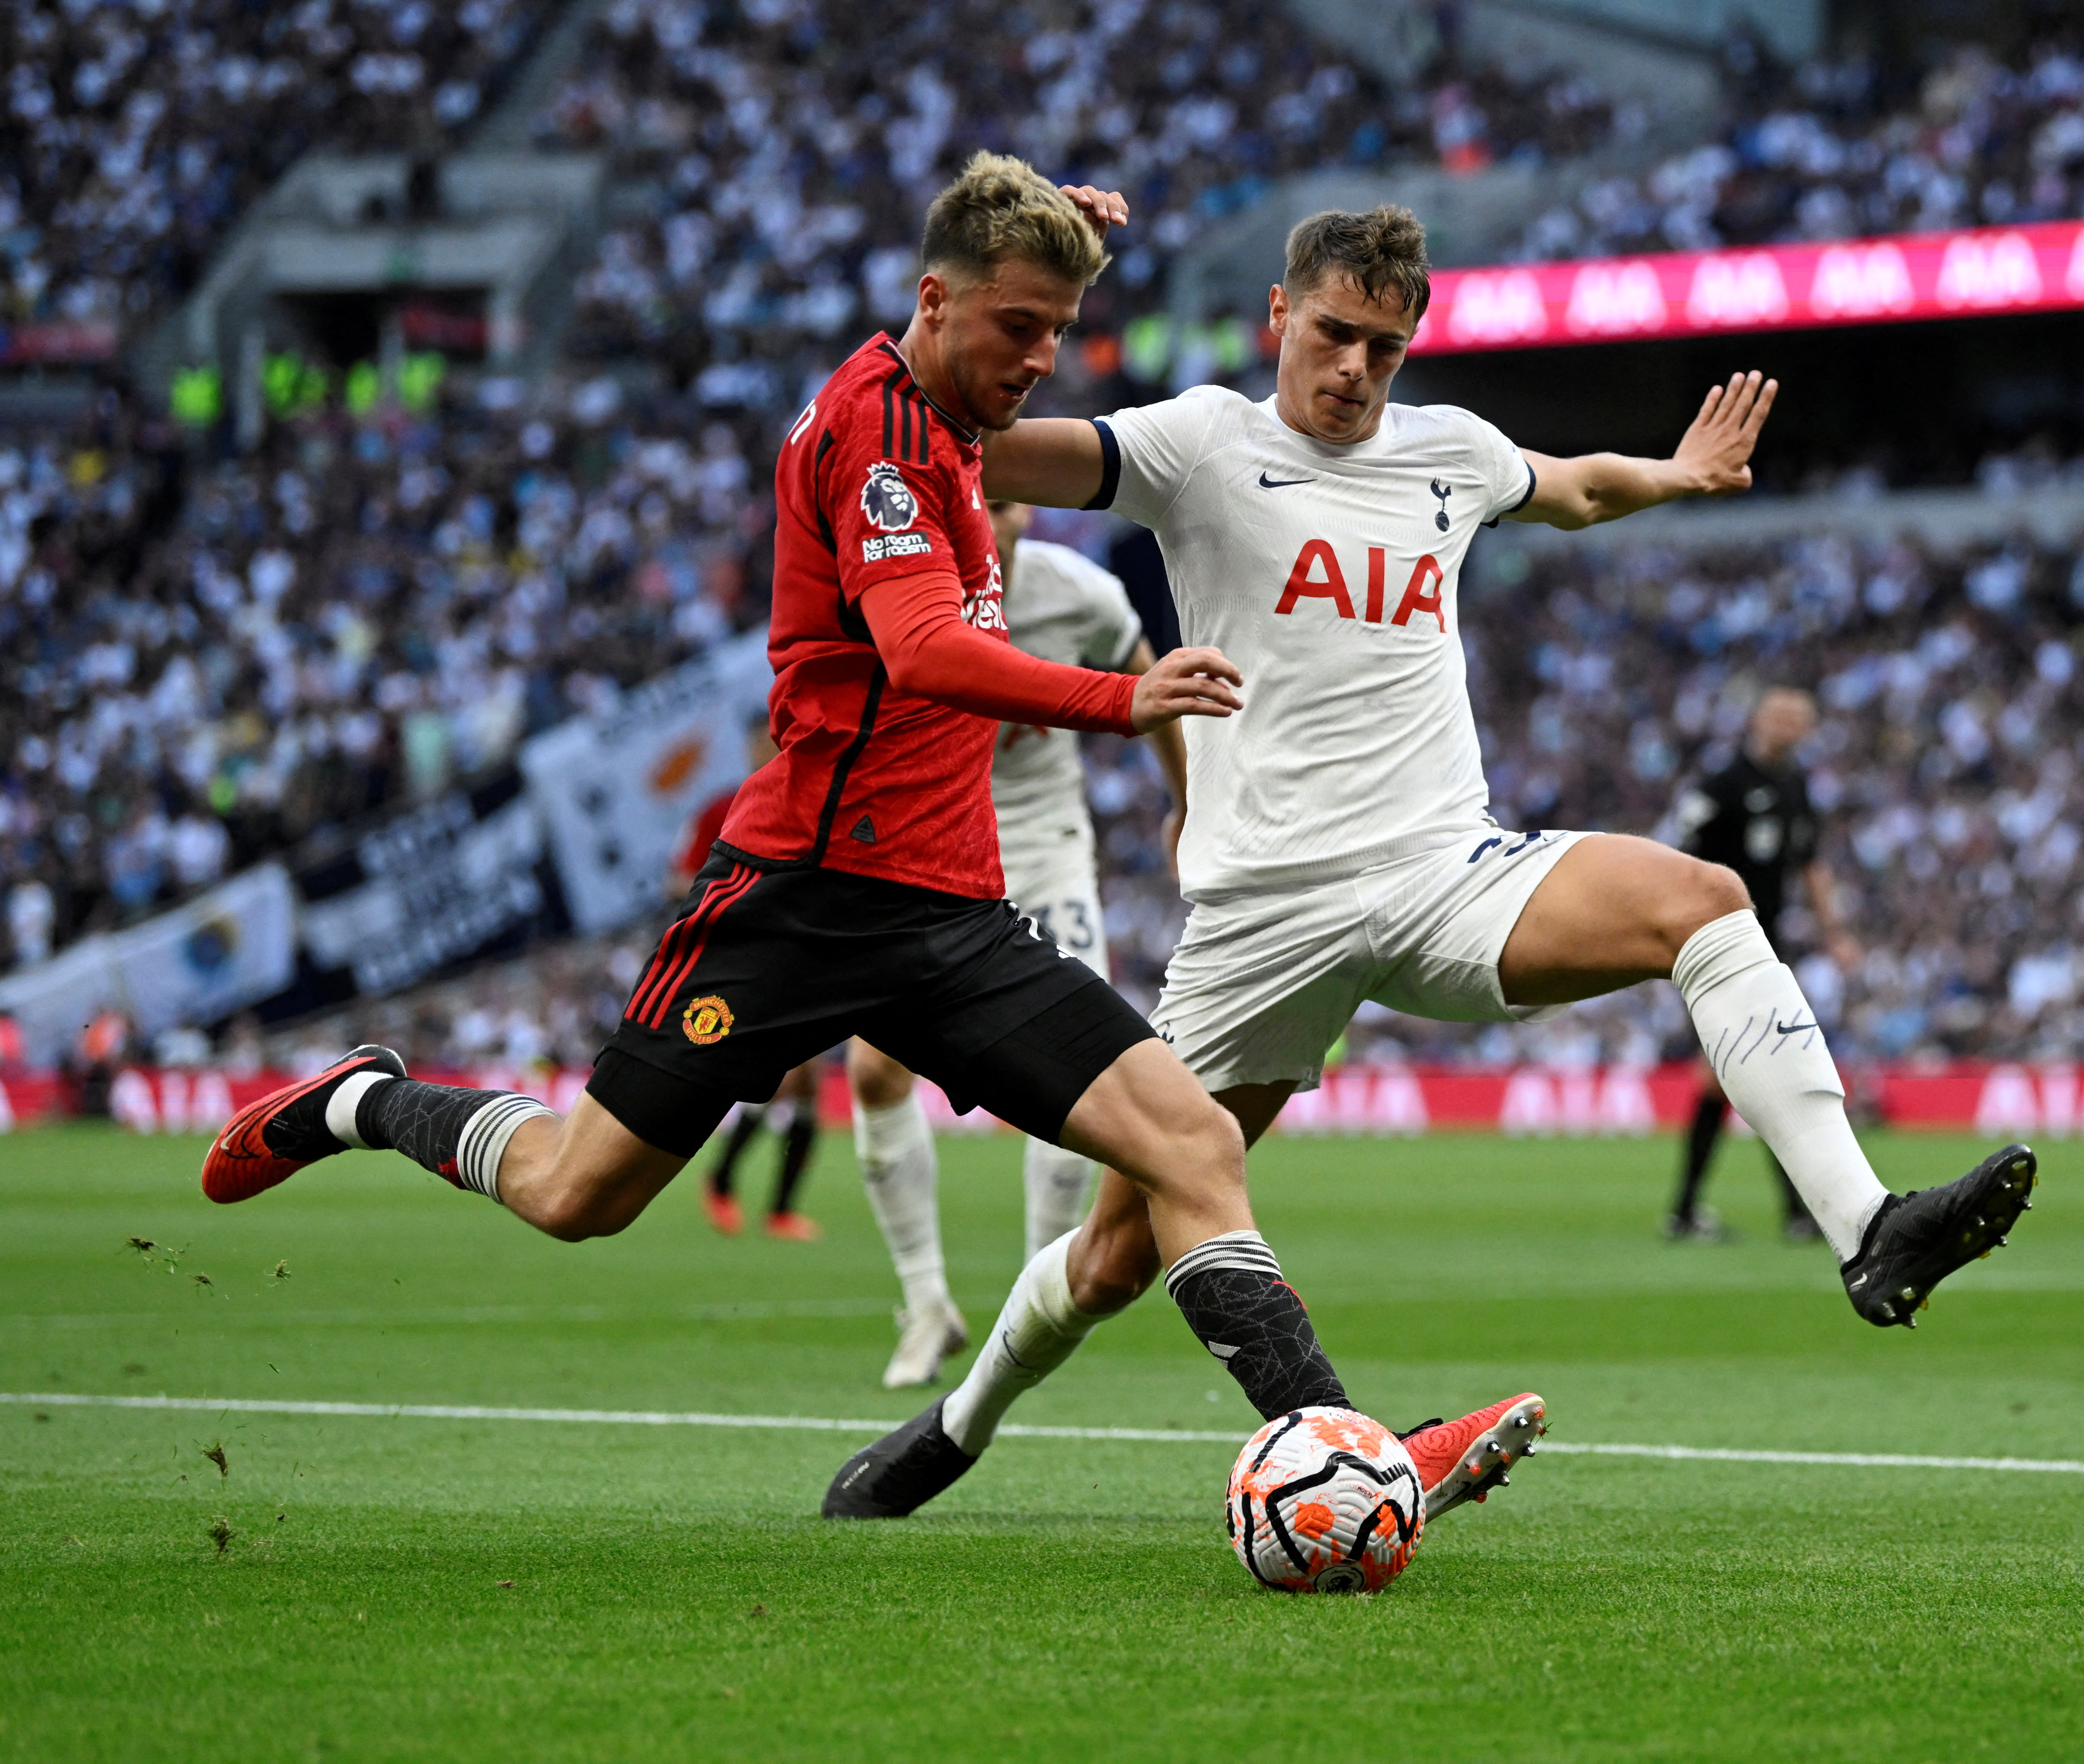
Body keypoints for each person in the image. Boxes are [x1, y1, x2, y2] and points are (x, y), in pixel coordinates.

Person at [201, 154, 1543, 1531]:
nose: (1042, 359)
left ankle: (1354, 1452)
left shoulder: (955, 402)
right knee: (574, 1192)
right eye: (1017, 327)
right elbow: (922, 649)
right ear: (933, 302)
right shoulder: (882, 436)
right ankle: (366, 1099)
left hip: (950, 915)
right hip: (798, 899)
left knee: (1190, 1141)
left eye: (1058, 330)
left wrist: (1051, 227)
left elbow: (989, 262)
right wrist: (1120, 697)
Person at [884, 196, 2037, 1490]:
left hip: (1442, 873)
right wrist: (969, 303)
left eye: (1383, 348)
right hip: (1263, 911)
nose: (1353, 369)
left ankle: (1868, 1226)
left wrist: (1679, 473)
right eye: (1331, 334)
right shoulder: (1197, 443)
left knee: (1702, 898)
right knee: (1112, 1257)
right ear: (1278, 314)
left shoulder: (1451, 451)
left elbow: (1578, 487)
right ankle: (956, 1423)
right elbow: (980, 452)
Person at [848, 493, 1188, 1389]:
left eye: (1001, 503)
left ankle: (1039, 1294)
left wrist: (1187, 803)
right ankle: (927, 1304)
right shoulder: (894, 589)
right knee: (874, 1071)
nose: (992, 522)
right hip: (927, 849)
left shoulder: (1076, 592)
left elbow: (1151, 685)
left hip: (1043, 847)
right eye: (975, 504)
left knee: (1081, 1066)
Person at [1665, 687, 1861, 1243]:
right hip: (1717, 946)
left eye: (1798, 718)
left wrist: (1836, 932)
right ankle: (1783, 1214)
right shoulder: (1723, 784)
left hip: (1766, 947)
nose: (1787, 725)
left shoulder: (1796, 787)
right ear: (1758, 719)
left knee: (1750, 1072)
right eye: (1779, 715)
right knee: (1758, 1069)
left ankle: (1697, 1212)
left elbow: (1811, 864)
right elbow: (1680, 861)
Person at [667, 729, 823, 1243]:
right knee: (788, 1077)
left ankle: (775, 1206)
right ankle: (726, 1183)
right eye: (769, 742)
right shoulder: (723, 808)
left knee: (807, 1084)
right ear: (754, 749)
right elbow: (679, 879)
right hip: (752, 955)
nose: (778, 750)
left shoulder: (817, 803)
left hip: (805, 954)